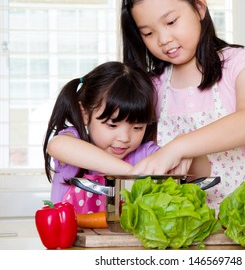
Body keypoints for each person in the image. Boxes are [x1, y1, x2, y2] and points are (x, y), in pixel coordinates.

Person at [120, 0, 245, 210]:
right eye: (148, 33)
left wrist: (177, 148)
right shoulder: (152, 85)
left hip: (241, 222)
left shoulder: (241, 62)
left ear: (199, 7)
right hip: (178, 224)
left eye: (171, 21)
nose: (164, 39)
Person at [43, 61, 160, 213]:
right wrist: (131, 173)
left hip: (117, 238)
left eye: (137, 127)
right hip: (68, 236)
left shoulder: (145, 154)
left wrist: (180, 152)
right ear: (84, 113)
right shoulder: (75, 140)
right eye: (112, 125)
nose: (124, 138)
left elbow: (171, 163)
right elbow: (57, 145)